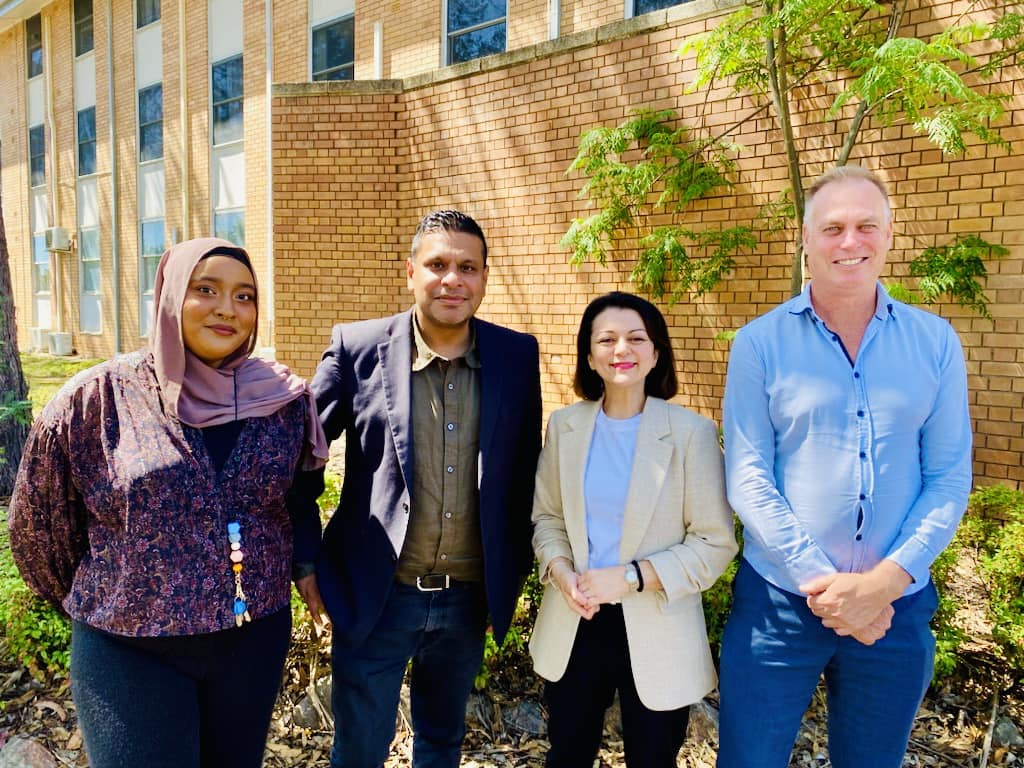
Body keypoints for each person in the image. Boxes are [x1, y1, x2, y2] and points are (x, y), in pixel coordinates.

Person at [8, 237, 328, 768]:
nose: (227, 308)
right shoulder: (96, 400)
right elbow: (39, 534)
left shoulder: (282, 402)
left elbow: (296, 502)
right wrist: (117, 594)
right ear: (170, 295)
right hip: (130, 649)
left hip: (250, 644)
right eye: (206, 290)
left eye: (244, 296)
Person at [717, 165, 974, 768]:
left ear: (889, 235)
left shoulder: (936, 342)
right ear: (804, 238)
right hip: (779, 606)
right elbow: (748, 477)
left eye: (866, 225)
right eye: (832, 227)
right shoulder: (758, 344)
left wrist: (882, 585)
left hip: (896, 609)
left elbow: (948, 477)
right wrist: (831, 591)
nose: (849, 242)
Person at [286, 210, 543, 768]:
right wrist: (305, 562)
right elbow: (298, 463)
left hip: (468, 598)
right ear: (410, 272)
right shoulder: (356, 348)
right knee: (358, 750)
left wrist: (514, 571)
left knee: (442, 743)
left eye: (467, 267)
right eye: (438, 265)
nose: (453, 279)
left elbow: (526, 472)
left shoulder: (517, 356)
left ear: (484, 277)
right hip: (378, 595)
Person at [530, 291, 738, 768]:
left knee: (653, 758)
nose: (621, 349)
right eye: (606, 339)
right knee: (567, 755)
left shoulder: (692, 433)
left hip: (658, 620)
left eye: (635, 338)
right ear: (589, 355)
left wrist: (630, 576)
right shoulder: (565, 427)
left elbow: (714, 542)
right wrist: (560, 570)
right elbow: (548, 518)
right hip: (575, 618)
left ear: (656, 352)